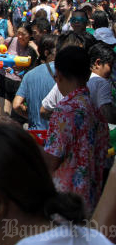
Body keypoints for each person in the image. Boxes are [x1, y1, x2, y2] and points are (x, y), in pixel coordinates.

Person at [44, 45, 109, 215]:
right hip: (92, 203)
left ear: (58, 75)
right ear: (88, 74)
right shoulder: (96, 112)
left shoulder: (64, 111)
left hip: (65, 205)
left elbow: (51, 161)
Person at [13, 35, 58, 130]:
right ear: (46, 52)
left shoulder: (29, 75)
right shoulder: (65, 71)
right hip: (57, 134)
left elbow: (16, 105)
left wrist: (32, 116)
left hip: (35, 135)